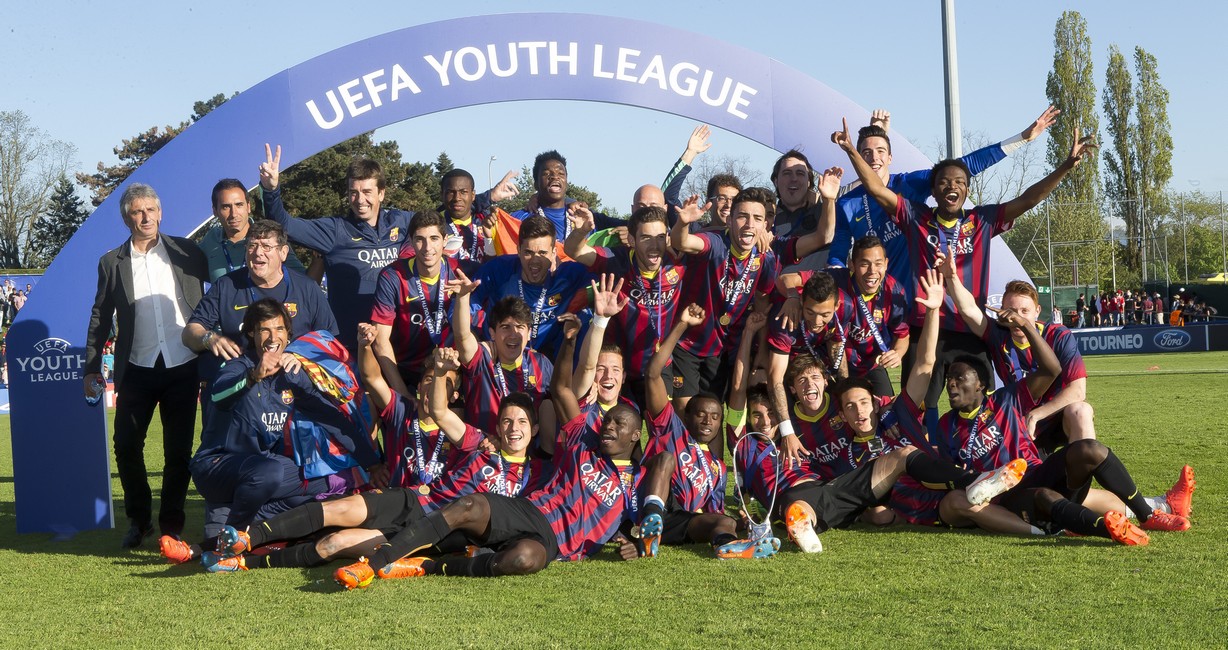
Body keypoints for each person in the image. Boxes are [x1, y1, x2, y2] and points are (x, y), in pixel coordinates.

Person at [329, 352, 676, 587]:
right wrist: (574, 338)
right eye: (606, 421)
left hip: (557, 547)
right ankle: (374, 564)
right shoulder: (582, 447)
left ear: (635, 435)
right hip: (533, 512)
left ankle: (427, 566)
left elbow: (665, 462)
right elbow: (561, 389)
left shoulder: (639, 482)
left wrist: (644, 528)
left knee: (523, 560)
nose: (607, 427)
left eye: (618, 424)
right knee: (470, 505)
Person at [832, 116, 1097, 409]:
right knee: (919, 407)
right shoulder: (916, 217)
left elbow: (1029, 199)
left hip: (971, 328)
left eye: (959, 182)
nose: (951, 187)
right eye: (943, 183)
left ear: (967, 190)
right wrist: (850, 151)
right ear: (933, 191)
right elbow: (877, 190)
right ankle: (924, 454)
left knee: (980, 404)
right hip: (925, 327)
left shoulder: (982, 220)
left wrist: (1065, 167)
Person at [909, 297, 1191, 544]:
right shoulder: (946, 426)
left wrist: (1025, 325)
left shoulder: (1006, 399)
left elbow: (1052, 368)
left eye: (960, 379)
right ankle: (1108, 529)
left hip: (1036, 472)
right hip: (1009, 496)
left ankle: (1148, 515)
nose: (952, 386)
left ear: (982, 385)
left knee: (1089, 449)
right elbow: (951, 475)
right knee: (1046, 497)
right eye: (949, 380)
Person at [200, 389, 550, 572]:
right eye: (507, 421)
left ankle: (243, 562)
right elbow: (441, 411)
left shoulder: (535, 478)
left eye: (521, 422)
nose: (513, 429)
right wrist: (443, 370)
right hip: (418, 501)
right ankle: (246, 538)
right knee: (340, 507)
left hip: (439, 532)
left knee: (333, 545)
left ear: (534, 430)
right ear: (498, 425)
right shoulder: (478, 442)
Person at [185, 300, 384, 566]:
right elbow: (219, 396)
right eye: (264, 330)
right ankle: (228, 543)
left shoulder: (291, 374)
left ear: (289, 334)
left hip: (261, 470)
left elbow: (331, 417)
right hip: (217, 466)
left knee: (327, 479)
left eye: (280, 329)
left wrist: (372, 463)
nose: (273, 337)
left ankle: (251, 528)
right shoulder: (238, 366)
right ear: (252, 334)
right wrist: (254, 376)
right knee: (268, 472)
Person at [84, 183, 207, 548]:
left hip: (183, 363)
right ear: (127, 218)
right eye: (137, 212)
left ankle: (171, 525)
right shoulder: (111, 262)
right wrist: (92, 366)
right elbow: (100, 316)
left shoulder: (188, 252)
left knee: (178, 453)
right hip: (136, 367)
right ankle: (139, 521)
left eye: (151, 209)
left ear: (160, 212)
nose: (145, 217)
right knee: (125, 445)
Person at [828, 107, 1059, 302]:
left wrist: (1021, 139)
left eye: (880, 151)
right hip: (876, 301)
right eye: (866, 152)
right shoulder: (847, 202)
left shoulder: (909, 183)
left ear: (890, 157)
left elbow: (963, 166)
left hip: (917, 297)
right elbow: (837, 256)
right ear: (858, 156)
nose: (874, 158)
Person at [639, 303, 779, 559]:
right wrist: (681, 325)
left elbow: (713, 509)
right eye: (701, 414)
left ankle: (728, 546)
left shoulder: (717, 467)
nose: (707, 421)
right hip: (656, 508)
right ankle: (651, 522)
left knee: (724, 521)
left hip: (681, 521)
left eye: (715, 417)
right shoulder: (670, 429)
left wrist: (738, 522)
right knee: (666, 458)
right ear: (686, 416)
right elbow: (652, 374)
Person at [183, 220, 337, 432]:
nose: (258, 253)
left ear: (283, 253)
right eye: (252, 246)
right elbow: (190, 332)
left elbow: (329, 339)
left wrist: (300, 354)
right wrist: (209, 338)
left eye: (266, 246)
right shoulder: (227, 285)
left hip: (294, 395)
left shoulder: (307, 288)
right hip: (243, 392)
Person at [259, 144, 413, 351]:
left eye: (367, 191)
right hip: (351, 344)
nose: (360, 200)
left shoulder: (402, 222)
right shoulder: (334, 230)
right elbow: (284, 225)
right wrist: (271, 190)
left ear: (381, 193)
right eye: (353, 192)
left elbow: (440, 227)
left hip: (398, 343)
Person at [669, 188, 781, 411]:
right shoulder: (715, 243)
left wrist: (761, 350)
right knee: (685, 413)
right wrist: (682, 223)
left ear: (765, 225)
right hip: (687, 342)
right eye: (742, 216)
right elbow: (683, 242)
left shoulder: (765, 258)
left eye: (757, 218)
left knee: (711, 414)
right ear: (729, 220)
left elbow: (762, 299)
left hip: (722, 349)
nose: (750, 224)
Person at [565, 205, 686, 404]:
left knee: (663, 430)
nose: (655, 245)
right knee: (624, 429)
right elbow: (573, 250)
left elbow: (715, 242)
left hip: (659, 365)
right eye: (646, 237)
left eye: (660, 237)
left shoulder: (679, 261)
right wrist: (581, 231)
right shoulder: (616, 260)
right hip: (618, 367)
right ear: (631, 240)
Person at [370, 210, 478, 391]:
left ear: (445, 240)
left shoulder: (461, 272)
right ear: (411, 241)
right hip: (406, 372)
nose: (427, 247)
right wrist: (402, 393)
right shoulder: (393, 277)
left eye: (434, 238)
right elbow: (381, 341)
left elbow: (499, 274)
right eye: (420, 239)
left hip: (450, 368)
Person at [451, 271, 555, 442]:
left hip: (525, 458)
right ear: (492, 333)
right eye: (505, 327)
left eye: (520, 327)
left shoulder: (541, 363)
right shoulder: (482, 358)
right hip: (483, 454)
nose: (513, 334)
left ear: (529, 333)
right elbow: (462, 336)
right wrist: (463, 297)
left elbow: (562, 398)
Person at [472, 214, 594, 358]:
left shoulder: (569, 275)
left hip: (546, 362)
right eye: (528, 253)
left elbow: (609, 270)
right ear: (518, 250)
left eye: (542, 253)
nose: (535, 261)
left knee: (584, 320)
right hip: (498, 357)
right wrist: (477, 345)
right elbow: (465, 305)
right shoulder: (499, 270)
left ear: (554, 253)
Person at [198, 179, 307, 282]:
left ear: (248, 207)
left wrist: (318, 259)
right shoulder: (210, 240)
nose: (234, 214)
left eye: (239, 205)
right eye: (226, 207)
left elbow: (305, 280)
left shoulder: (271, 238)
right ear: (215, 211)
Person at [660, 124, 742, 232]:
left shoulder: (749, 238)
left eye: (734, 200)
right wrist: (690, 153)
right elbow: (668, 195)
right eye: (722, 198)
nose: (728, 204)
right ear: (709, 202)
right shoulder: (693, 232)